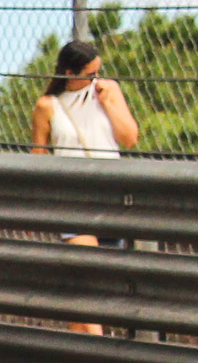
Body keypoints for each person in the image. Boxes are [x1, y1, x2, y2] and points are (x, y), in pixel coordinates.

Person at [31, 39, 141, 332]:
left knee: (92, 292)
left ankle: (82, 357)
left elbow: (129, 138)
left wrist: (107, 103)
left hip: (110, 195)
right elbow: (38, 158)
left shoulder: (108, 91)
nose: (95, 79)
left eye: (97, 73)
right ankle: (102, 357)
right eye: (89, 74)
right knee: (88, 279)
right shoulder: (48, 106)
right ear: (70, 72)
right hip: (73, 200)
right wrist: (34, 205)